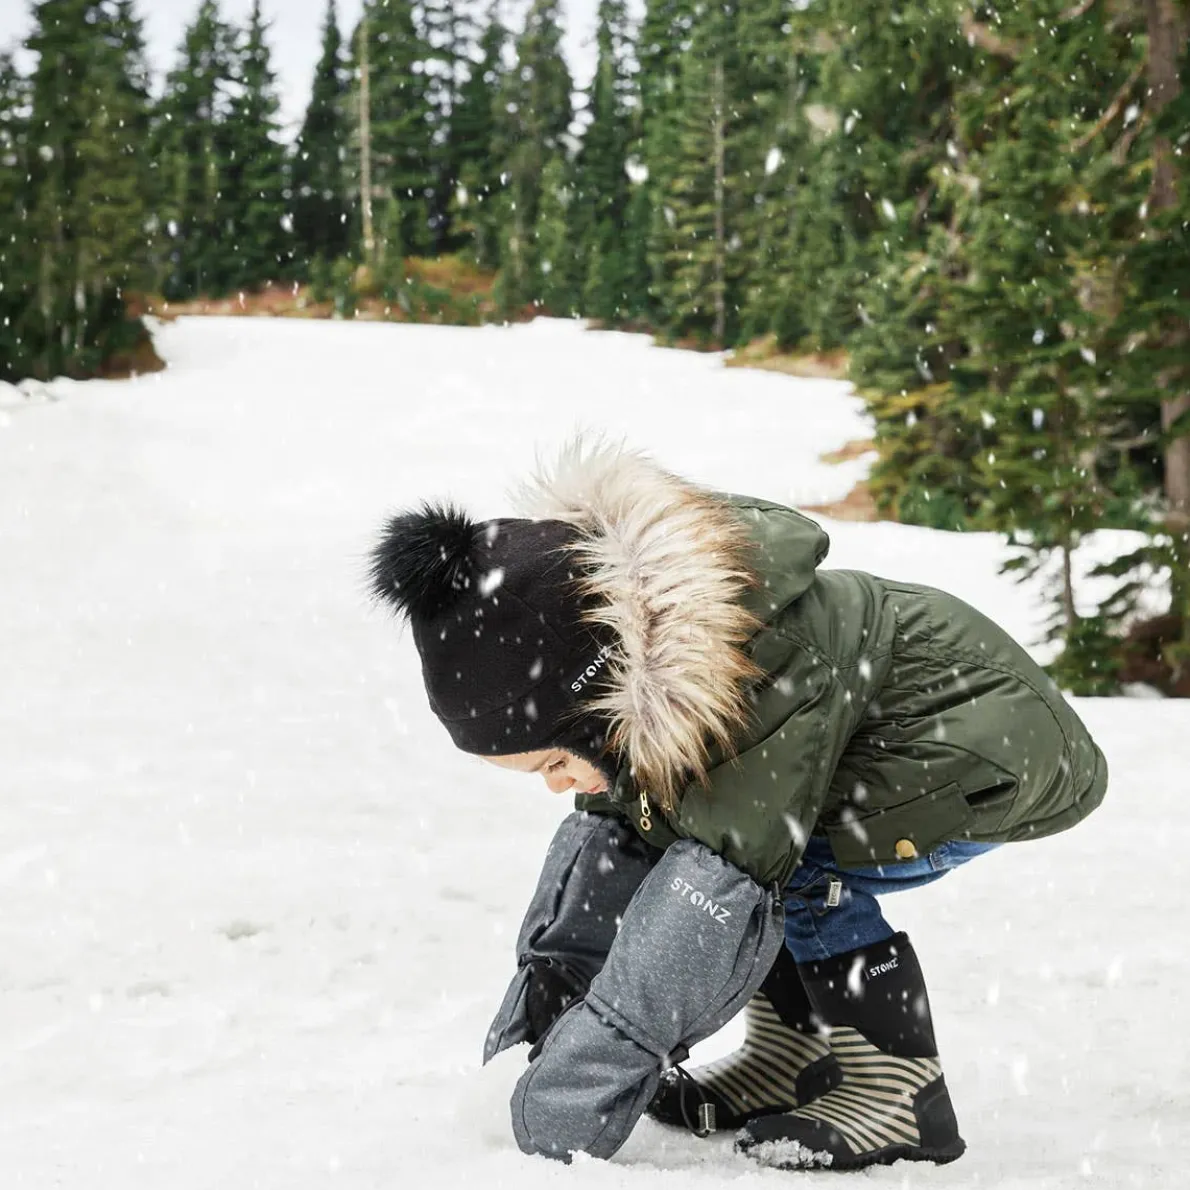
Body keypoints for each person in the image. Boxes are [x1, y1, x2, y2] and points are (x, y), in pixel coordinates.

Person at [367, 440, 1108, 1171]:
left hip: (986, 749)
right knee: (728, 844)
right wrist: (542, 1020)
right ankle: (790, 1055)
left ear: (598, 699)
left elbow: (714, 892)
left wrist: (579, 1089)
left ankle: (900, 1094)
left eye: (555, 762)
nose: (557, 785)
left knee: (774, 865)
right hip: (909, 744)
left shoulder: (753, 670)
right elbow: (613, 858)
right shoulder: (644, 675)